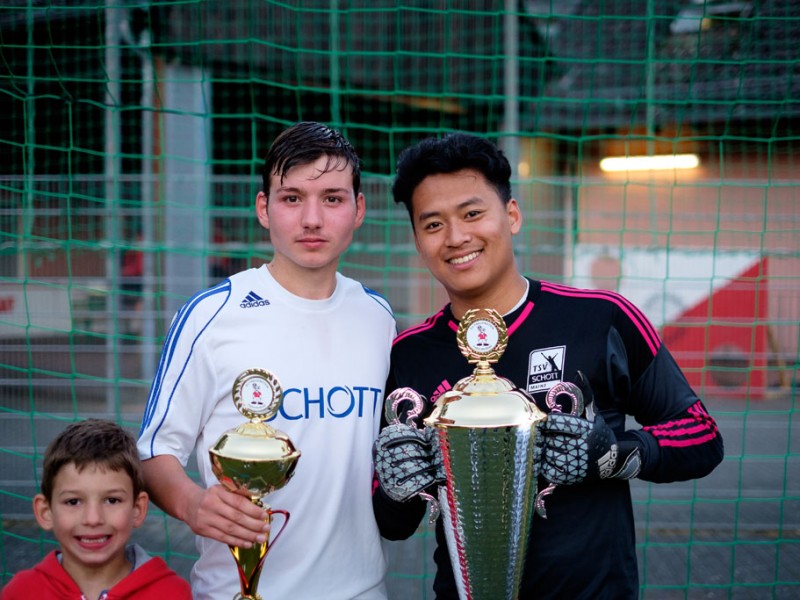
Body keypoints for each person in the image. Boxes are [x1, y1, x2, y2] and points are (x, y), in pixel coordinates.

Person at [372, 132, 725, 599]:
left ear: (512, 215)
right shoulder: (409, 353)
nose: (457, 237)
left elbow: (701, 435)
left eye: (473, 213)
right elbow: (394, 524)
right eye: (433, 224)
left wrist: (615, 455)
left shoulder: (602, 318)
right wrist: (395, 486)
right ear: (417, 239)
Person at [137, 122, 396, 599]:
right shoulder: (211, 315)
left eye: (333, 199)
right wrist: (195, 505)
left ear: (359, 210)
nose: (312, 219)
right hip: (237, 590)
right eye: (291, 198)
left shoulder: (376, 317)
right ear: (264, 208)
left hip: (363, 590)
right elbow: (154, 451)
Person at [1, 419, 191, 600]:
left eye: (111, 500)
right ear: (45, 511)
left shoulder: (172, 593)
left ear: (138, 508)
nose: (93, 519)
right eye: (73, 502)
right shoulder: (20, 592)